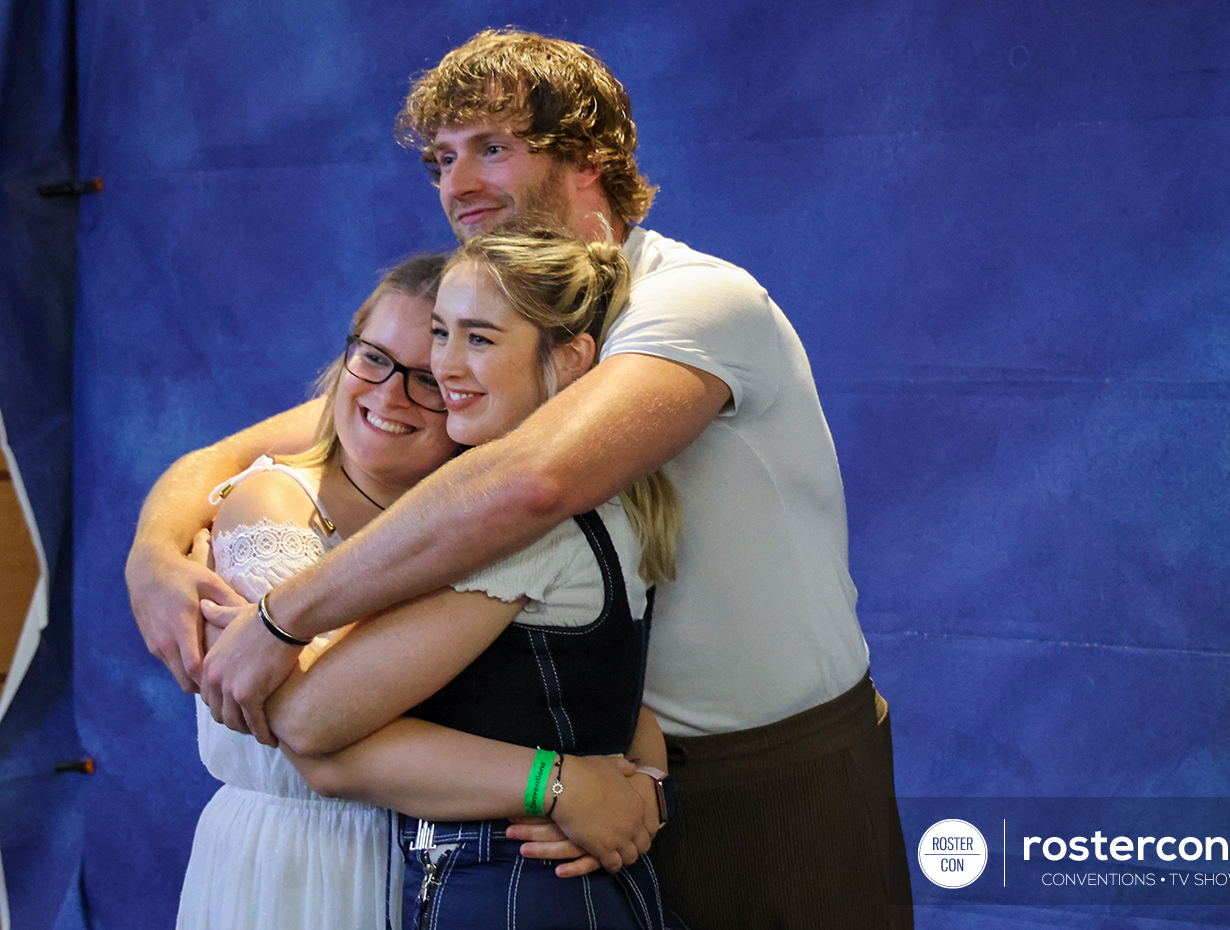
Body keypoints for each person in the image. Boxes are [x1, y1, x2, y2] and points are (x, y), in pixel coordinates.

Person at [127, 28, 912, 930]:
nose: (456, 187)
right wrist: (151, 556)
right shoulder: (488, 329)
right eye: (440, 159)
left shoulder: (695, 303)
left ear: (592, 157)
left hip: (765, 775)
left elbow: (532, 483)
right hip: (581, 779)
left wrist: (281, 617)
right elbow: (239, 453)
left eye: (492, 149)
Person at [176, 254, 666, 930]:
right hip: (305, 869)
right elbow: (305, 726)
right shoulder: (275, 502)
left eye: (430, 379)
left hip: (431, 863)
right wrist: (561, 784)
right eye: (372, 358)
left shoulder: (482, 523)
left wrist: (642, 782)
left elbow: (587, 683)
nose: (390, 395)